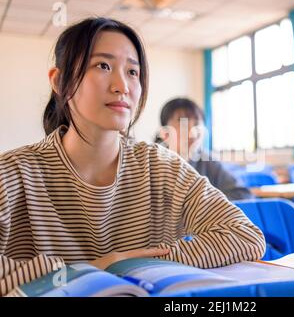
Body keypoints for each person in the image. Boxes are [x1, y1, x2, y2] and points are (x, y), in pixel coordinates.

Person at [0, 18, 265, 296]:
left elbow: (244, 235)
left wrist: (130, 264)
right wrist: (88, 270)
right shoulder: (13, 173)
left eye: (133, 72)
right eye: (103, 65)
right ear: (58, 80)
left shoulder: (162, 167)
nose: (122, 86)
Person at [156, 98, 254, 201]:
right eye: (182, 123)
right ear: (165, 133)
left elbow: (242, 194)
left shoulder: (207, 162)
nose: (192, 132)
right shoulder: (152, 163)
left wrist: (204, 207)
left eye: (197, 124)